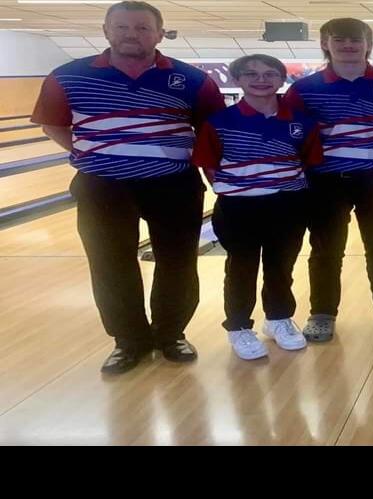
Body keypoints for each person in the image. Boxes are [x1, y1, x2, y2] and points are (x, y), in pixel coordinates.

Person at [31, 1, 225, 374]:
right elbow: (53, 125)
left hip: (174, 185)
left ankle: (171, 335)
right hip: (102, 186)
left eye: (141, 27)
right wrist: (94, 154)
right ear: (106, 31)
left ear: (159, 31)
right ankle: (129, 341)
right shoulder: (68, 76)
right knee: (109, 264)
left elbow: (210, 133)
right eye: (121, 27)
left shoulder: (193, 80)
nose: (131, 34)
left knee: (178, 261)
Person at [283, 18, 373, 341]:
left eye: (355, 39)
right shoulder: (304, 89)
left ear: (368, 44)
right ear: (325, 44)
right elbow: (292, 135)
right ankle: (323, 312)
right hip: (326, 181)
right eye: (339, 39)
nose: (348, 45)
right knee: (326, 248)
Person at [193, 54, 324, 360]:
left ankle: (278, 320)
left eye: (269, 74)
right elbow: (208, 165)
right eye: (251, 74)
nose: (261, 79)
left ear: (281, 79)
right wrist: (241, 191)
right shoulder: (219, 122)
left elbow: (308, 161)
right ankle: (239, 327)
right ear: (237, 80)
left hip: (288, 203)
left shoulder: (301, 123)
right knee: (241, 268)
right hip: (238, 207)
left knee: (281, 267)